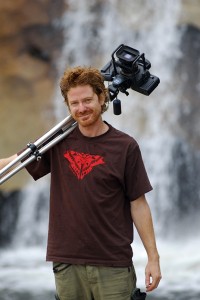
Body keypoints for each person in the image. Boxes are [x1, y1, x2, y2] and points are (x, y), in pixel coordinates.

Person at [0, 66, 161, 300]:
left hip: (113, 264)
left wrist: (153, 258)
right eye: (74, 103)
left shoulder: (125, 146)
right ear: (67, 105)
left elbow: (138, 204)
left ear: (102, 97)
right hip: (67, 264)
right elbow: (12, 163)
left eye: (87, 100)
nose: (81, 108)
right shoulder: (57, 141)